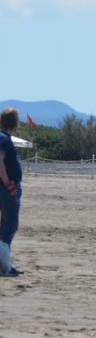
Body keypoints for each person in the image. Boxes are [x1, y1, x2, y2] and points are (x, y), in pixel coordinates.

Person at [0, 108, 23, 277]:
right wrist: (8, 183)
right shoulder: (3, 138)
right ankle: (3, 266)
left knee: (5, 225)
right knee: (10, 225)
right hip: (7, 188)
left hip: (6, 187)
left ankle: (4, 263)